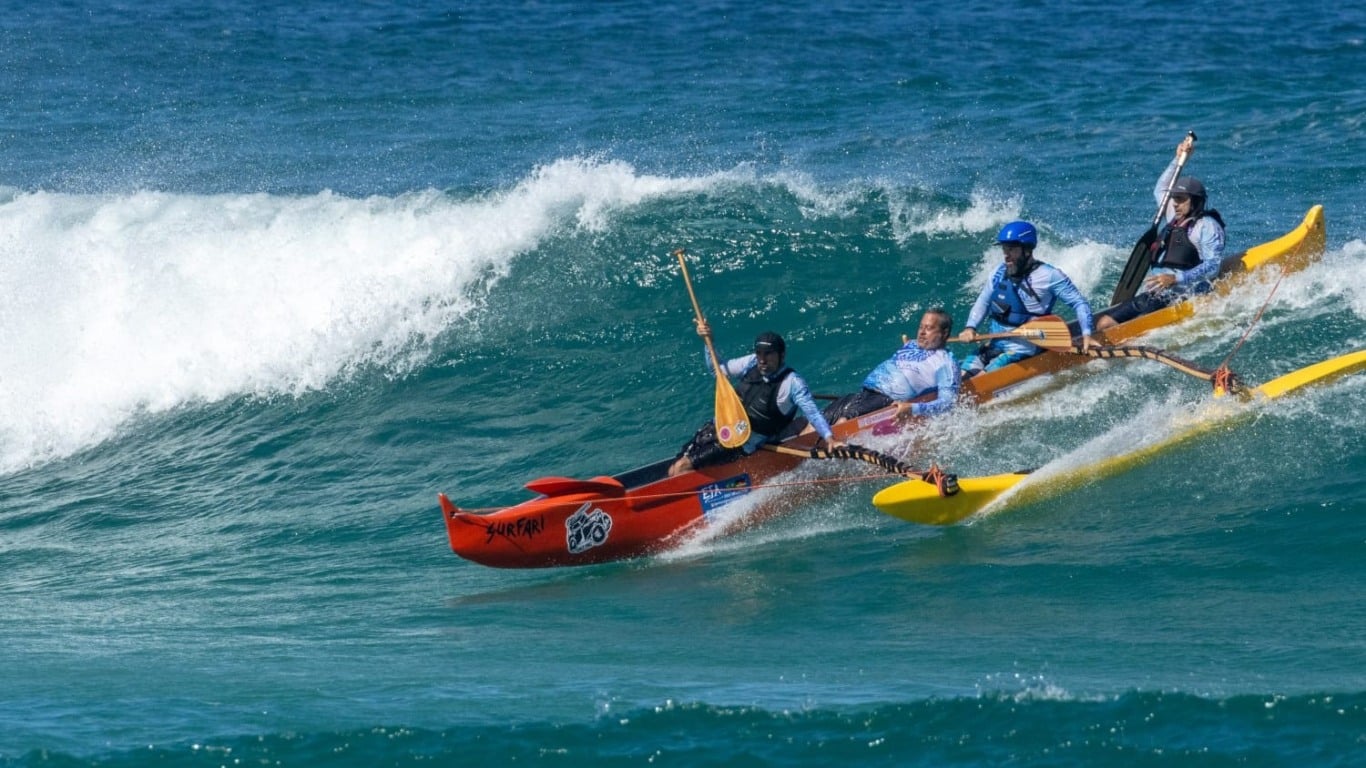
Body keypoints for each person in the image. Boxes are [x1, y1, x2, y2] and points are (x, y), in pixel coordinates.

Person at [669, 323, 845, 477]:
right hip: (720, 427)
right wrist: (709, 342)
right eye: (759, 352)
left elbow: (812, 412)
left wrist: (830, 439)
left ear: (782, 355)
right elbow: (718, 371)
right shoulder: (752, 362)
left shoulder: (793, 383)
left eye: (768, 354)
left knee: (681, 467)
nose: (762, 359)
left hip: (742, 442)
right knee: (673, 470)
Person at [1097, 134, 1226, 330]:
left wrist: (1176, 278)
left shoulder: (1206, 226)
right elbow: (1161, 189)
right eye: (1174, 197)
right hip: (1157, 292)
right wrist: (1179, 158)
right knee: (1104, 323)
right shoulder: (1174, 215)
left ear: (1196, 202)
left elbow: (1213, 266)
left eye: (1181, 198)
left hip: (1181, 293)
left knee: (1107, 325)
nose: (1175, 202)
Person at [959, 220, 1096, 377]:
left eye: (1011, 249)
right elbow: (983, 301)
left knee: (980, 380)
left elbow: (1079, 302)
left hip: (1023, 349)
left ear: (1027, 250)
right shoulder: (998, 272)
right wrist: (970, 327)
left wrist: (1087, 333)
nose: (1006, 255)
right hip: (995, 343)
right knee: (962, 374)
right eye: (1004, 248)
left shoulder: (1050, 275)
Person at [821, 308, 960, 424]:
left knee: (843, 421)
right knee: (815, 423)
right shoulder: (911, 344)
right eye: (921, 327)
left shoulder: (945, 363)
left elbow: (948, 402)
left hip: (887, 402)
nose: (921, 332)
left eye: (928, 328)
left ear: (945, 333)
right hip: (864, 394)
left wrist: (912, 408)